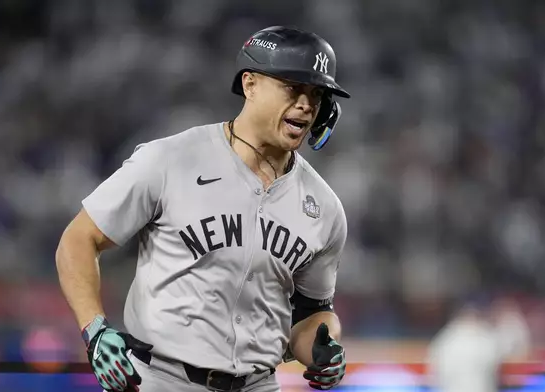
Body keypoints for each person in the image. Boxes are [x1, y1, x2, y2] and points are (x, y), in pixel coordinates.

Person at [56, 25, 350, 392]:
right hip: (159, 379)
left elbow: (312, 312)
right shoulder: (170, 160)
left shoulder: (323, 207)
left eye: (317, 94)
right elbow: (79, 239)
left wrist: (325, 346)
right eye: (293, 88)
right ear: (250, 85)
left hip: (259, 383)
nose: (306, 104)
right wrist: (95, 328)